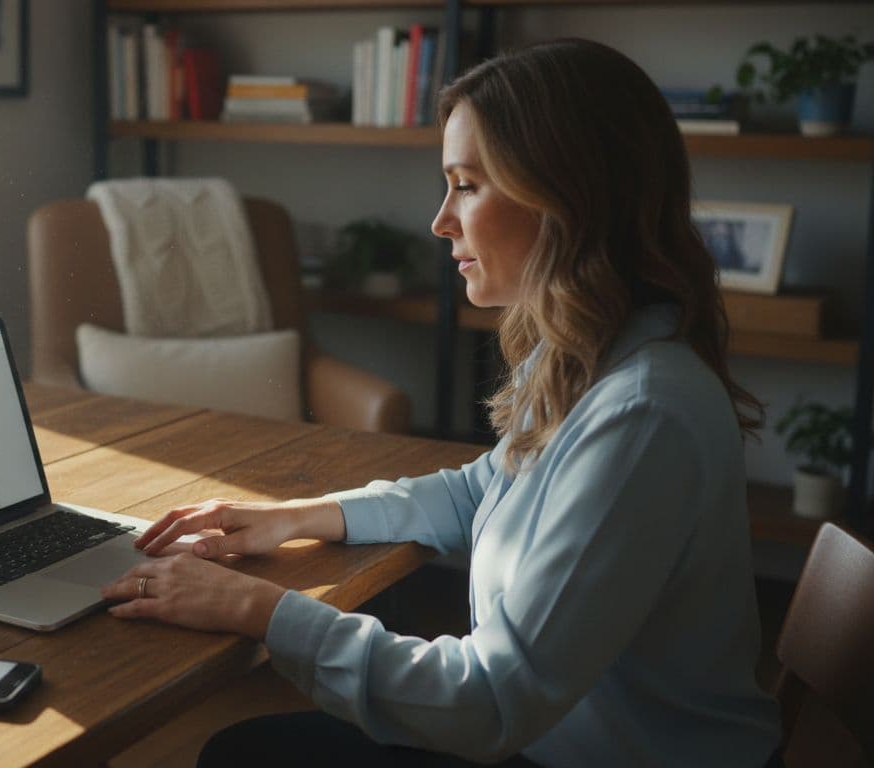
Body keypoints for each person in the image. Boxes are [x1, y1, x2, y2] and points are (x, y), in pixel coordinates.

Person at [101, 38, 784, 768]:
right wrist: (294, 518)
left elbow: (490, 700)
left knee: (245, 756)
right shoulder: (587, 354)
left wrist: (253, 608)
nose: (440, 221)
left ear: (566, 197)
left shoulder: (642, 412)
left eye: (466, 184)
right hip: (554, 740)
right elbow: (480, 492)